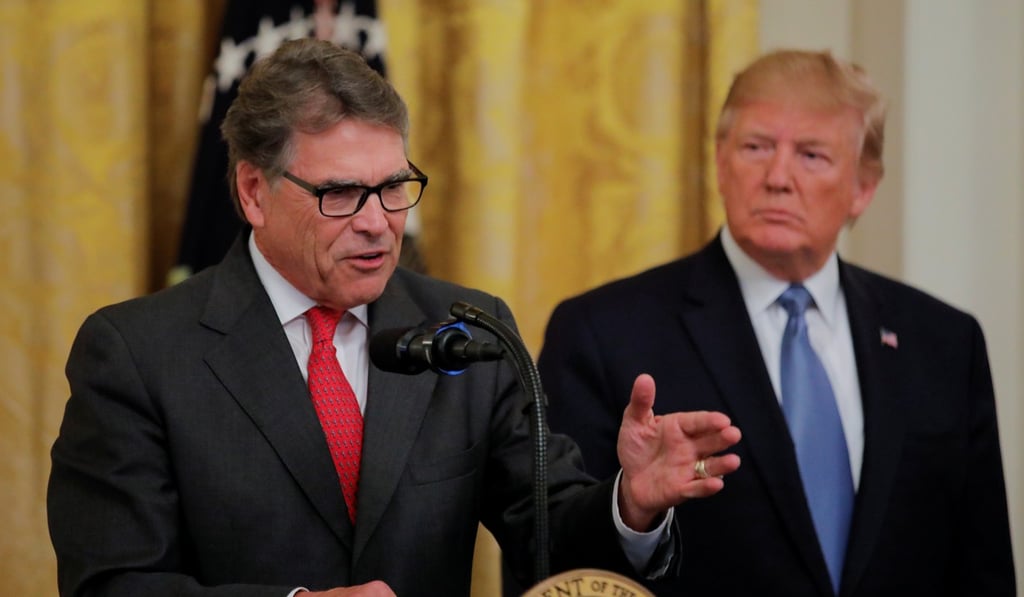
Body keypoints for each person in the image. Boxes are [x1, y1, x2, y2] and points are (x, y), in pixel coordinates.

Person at [46, 39, 742, 597]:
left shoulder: (470, 330)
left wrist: (632, 503)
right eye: (344, 193)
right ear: (254, 191)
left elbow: (546, 535)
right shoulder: (137, 352)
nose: (381, 223)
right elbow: (111, 580)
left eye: (394, 187)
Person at [538, 49, 1015, 597]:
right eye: (756, 147)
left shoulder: (945, 343)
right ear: (720, 162)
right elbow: (553, 565)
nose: (778, 177)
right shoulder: (603, 332)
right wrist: (632, 511)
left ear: (863, 187)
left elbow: (983, 568)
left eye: (811, 155)